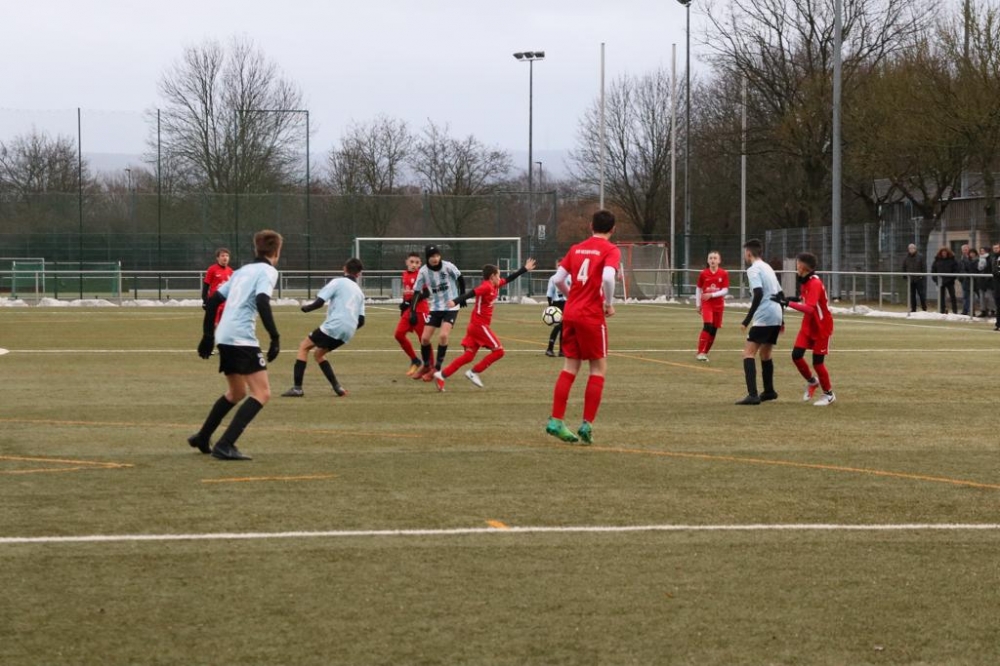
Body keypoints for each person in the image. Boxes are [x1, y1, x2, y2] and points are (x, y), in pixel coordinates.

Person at [189, 230, 282, 461]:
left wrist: (208, 336)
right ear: (276, 251)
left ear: (256, 248)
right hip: (241, 337)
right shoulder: (268, 271)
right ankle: (225, 444)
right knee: (262, 393)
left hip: (224, 334)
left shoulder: (242, 271)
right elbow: (262, 300)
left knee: (237, 392)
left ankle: (203, 436)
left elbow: (213, 300)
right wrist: (275, 336)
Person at [546, 209, 620, 445]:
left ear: (591, 226)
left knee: (570, 367)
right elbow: (608, 278)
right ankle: (587, 424)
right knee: (597, 368)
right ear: (613, 229)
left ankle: (556, 420)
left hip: (571, 313)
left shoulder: (576, 248)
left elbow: (557, 279)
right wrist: (608, 303)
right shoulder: (611, 250)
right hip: (591, 315)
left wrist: (571, 297)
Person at [432, 258, 537, 391]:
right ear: (492, 276)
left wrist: (524, 269)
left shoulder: (495, 285)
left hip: (475, 326)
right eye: (498, 275)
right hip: (479, 326)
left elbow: (510, 278)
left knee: (468, 356)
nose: (500, 278)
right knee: (499, 351)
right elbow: (471, 293)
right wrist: (455, 301)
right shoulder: (486, 286)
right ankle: (474, 372)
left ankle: (441, 375)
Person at [281, 259, 366, 398]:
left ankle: (297, 388)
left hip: (335, 325)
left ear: (344, 268)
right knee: (319, 354)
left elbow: (320, 302)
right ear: (359, 274)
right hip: (349, 331)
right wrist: (346, 327)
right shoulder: (360, 293)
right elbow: (361, 321)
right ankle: (338, 388)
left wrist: (306, 308)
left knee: (304, 347)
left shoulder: (338, 282)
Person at [772, 252, 836, 406]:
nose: (796, 267)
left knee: (818, 363)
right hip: (808, 325)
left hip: (821, 327)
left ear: (802, 266)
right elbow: (805, 299)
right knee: (796, 355)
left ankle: (829, 394)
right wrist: (791, 299)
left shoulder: (815, 283)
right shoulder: (805, 281)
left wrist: (788, 303)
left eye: (797, 264)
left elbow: (810, 309)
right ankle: (812, 382)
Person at [735, 239, 784, 405]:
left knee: (748, 353)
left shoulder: (753, 269)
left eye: (745, 253)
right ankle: (769, 391)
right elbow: (780, 293)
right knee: (765, 354)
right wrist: (782, 319)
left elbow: (758, 293)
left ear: (748, 253)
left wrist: (747, 319)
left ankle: (753, 395)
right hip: (776, 314)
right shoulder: (768, 267)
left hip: (764, 315)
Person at [409, 245, 465, 380]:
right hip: (435, 308)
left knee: (443, 336)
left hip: (451, 307)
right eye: (432, 256)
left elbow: (460, 278)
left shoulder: (448, 266)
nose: (435, 259)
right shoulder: (423, 272)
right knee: (425, 338)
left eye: (437, 255)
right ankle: (426, 365)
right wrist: (412, 311)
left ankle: (437, 368)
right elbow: (416, 292)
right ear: (427, 258)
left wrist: (461, 297)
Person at [394, 252, 433, 375]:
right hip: (408, 311)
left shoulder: (421, 275)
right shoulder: (404, 274)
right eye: (411, 262)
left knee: (424, 339)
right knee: (399, 335)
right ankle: (415, 360)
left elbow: (426, 293)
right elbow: (408, 292)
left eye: (417, 262)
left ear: (420, 264)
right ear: (406, 262)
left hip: (420, 310)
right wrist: (404, 305)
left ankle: (431, 367)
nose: (414, 265)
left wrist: (409, 302)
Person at [694, 250, 730, 362]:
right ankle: (700, 352)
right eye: (710, 258)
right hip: (707, 303)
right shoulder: (703, 274)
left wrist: (712, 294)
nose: (712, 260)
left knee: (714, 329)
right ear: (707, 260)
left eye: (715, 258)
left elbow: (725, 290)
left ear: (719, 260)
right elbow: (698, 289)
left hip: (718, 305)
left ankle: (705, 353)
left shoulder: (723, 273)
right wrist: (698, 304)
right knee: (708, 325)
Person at [202, 247, 233, 327]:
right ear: (217, 258)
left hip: (226, 304)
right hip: (214, 303)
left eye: (227, 256)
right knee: (214, 325)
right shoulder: (212, 269)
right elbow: (206, 286)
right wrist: (205, 301)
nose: (225, 257)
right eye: (222, 256)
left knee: (225, 326)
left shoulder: (230, 270)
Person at [545, 261, 569, 357]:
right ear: (556, 266)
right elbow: (549, 293)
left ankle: (562, 350)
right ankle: (549, 349)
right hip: (557, 304)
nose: (560, 267)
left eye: (562, 265)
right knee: (558, 326)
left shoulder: (570, 277)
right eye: (558, 265)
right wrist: (550, 306)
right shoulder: (553, 278)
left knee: (564, 327)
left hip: (567, 303)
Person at [930, 246, 959, 314]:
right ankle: (942, 310)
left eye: (945, 252)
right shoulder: (937, 260)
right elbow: (933, 271)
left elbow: (956, 270)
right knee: (941, 297)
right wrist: (936, 279)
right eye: (942, 252)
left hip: (950, 281)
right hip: (940, 281)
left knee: (952, 296)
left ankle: (955, 311)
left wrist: (952, 278)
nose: (944, 253)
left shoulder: (952, 260)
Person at [902, 243, 926, 312]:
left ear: (915, 249)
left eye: (912, 248)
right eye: (910, 248)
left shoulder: (920, 257)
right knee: (912, 295)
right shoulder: (906, 257)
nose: (911, 250)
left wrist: (922, 276)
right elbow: (904, 267)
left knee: (921, 294)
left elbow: (924, 267)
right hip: (910, 279)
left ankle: (924, 308)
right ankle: (913, 309)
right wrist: (905, 276)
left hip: (918, 279)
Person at [958, 244, 974, 316]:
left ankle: (971, 310)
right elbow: (959, 269)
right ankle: (965, 310)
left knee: (971, 295)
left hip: (971, 279)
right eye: (963, 250)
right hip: (964, 279)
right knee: (965, 295)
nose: (965, 251)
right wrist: (960, 278)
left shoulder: (972, 258)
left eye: (966, 249)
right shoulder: (961, 259)